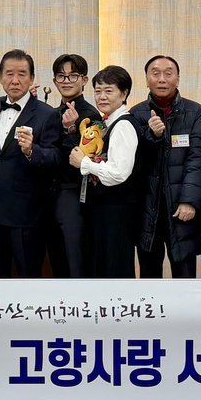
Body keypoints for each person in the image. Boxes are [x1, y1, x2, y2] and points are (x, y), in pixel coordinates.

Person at [0, 49, 61, 278]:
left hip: (27, 213)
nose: (15, 80)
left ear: (32, 78)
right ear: (0, 77)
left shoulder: (47, 114)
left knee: (28, 275)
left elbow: (55, 157)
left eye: (22, 74)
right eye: (9, 74)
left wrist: (31, 151)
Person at [130, 55, 201, 278]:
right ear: (146, 79)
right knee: (149, 274)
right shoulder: (136, 114)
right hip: (147, 207)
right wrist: (151, 135)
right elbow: (135, 161)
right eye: (155, 73)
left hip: (181, 208)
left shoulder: (195, 112)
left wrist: (189, 200)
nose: (162, 79)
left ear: (178, 78)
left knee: (184, 275)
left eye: (168, 73)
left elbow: (197, 159)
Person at [71, 66, 142, 278]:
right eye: (98, 91)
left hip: (117, 213)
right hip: (105, 212)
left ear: (124, 93)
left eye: (109, 91)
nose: (102, 97)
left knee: (114, 269)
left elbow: (119, 173)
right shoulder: (107, 123)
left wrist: (84, 163)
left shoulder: (123, 126)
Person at [47, 53, 101, 278]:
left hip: (74, 194)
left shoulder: (91, 115)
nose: (66, 81)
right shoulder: (51, 113)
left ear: (84, 80)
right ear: (54, 81)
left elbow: (81, 161)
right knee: (56, 260)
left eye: (73, 75)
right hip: (49, 195)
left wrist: (70, 130)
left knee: (75, 261)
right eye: (61, 76)